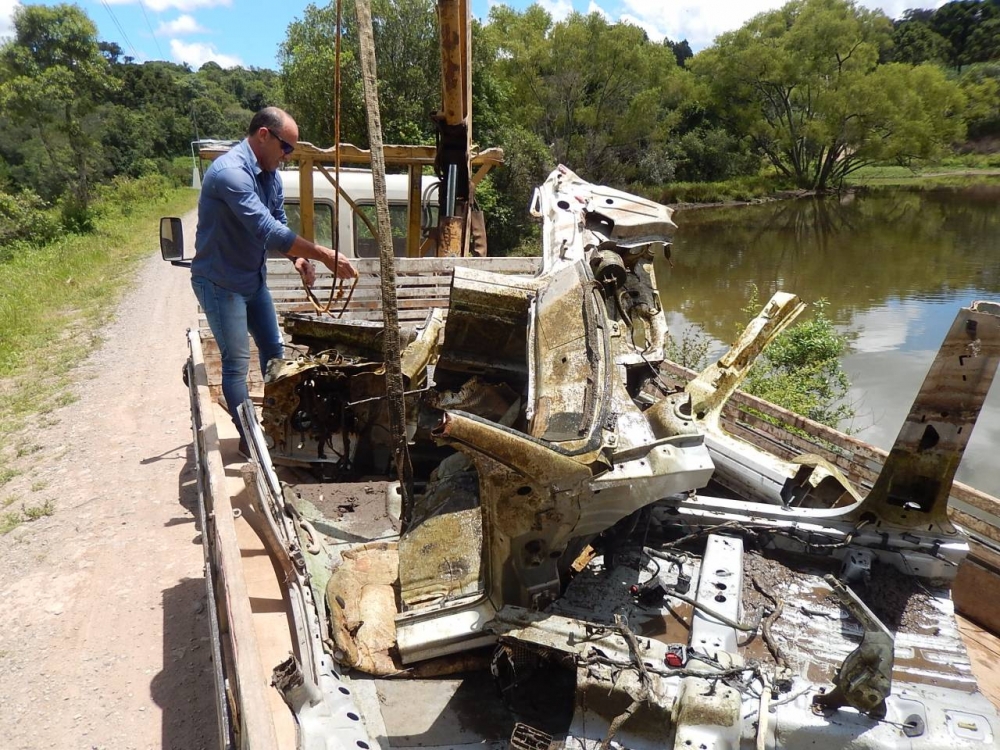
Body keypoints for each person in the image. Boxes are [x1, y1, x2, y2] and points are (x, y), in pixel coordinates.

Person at [191, 106, 357, 456]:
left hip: (252, 280)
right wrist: (323, 255)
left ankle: (274, 427)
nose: (287, 156)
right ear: (264, 135)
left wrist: (297, 258)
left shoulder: (270, 175)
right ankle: (251, 440)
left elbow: (277, 220)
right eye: (286, 148)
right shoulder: (230, 174)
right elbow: (265, 229)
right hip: (220, 283)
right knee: (237, 363)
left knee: (275, 356)